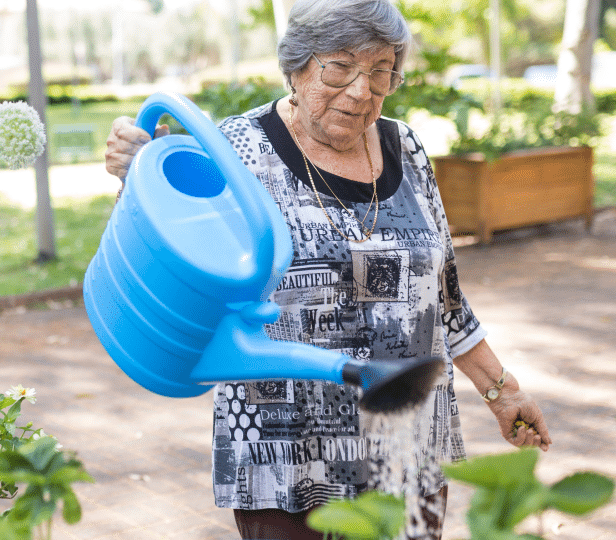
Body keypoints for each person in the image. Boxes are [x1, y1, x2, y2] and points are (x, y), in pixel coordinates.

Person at [103, 0, 552, 538]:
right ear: (296, 66)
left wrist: (501, 390)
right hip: (288, 452)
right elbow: (173, 256)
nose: (362, 90)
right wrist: (136, 177)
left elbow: (443, 294)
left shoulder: (405, 147)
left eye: (381, 71)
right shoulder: (236, 149)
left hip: (405, 441)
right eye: (340, 67)